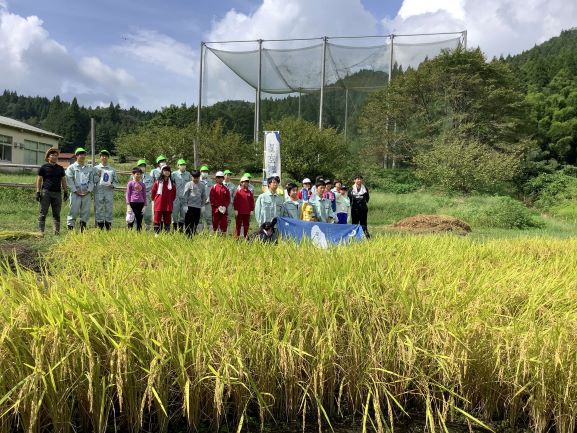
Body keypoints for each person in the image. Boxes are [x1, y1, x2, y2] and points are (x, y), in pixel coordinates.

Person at [36, 147, 68, 235]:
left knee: (56, 214)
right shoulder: (43, 167)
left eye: (56, 155)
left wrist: (65, 191)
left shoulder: (60, 168)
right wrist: (38, 192)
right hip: (46, 192)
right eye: (52, 155)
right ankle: (40, 231)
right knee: (43, 212)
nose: (54, 157)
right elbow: (39, 180)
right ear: (48, 157)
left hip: (57, 193)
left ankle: (56, 232)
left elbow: (63, 180)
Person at [65, 147, 94, 232]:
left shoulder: (89, 168)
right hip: (75, 194)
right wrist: (75, 191)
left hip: (86, 193)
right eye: (80, 154)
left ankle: (82, 230)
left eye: (83, 154)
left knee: (85, 212)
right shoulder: (71, 168)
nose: (82, 156)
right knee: (73, 211)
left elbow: (92, 181)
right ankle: (70, 230)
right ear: (76, 156)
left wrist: (89, 190)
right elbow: (69, 180)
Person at [93, 150, 119, 230]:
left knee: (109, 208)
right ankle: (100, 227)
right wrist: (98, 176)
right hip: (98, 191)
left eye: (106, 156)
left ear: (108, 157)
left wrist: (112, 185)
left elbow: (116, 181)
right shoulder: (95, 168)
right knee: (99, 209)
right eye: (102, 156)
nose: (104, 157)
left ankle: (108, 227)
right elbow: (93, 180)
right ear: (100, 157)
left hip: (109, 191)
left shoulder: (112, 169)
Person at [150, 165, 176, 234]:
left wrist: (170, 201)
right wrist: (155, 200)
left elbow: (174, 195)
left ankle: (166, 234)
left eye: (168, 171)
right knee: (157, 219)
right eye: (165, 170)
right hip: (159, 204)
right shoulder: (157, 182)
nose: (167, 172)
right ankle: (156, 234)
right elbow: (153, 192)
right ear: (162, 172)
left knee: (167, 220)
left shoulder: (172, 184)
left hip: (168, 205)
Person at [182, 170, 207, 237]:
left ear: (199, 177)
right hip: (189, 207)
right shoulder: (188, 184)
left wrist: (203, 205)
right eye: (194, 177)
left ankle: (193, 235)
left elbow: (204, 196)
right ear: (191, 177)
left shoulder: (202, 185)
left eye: (197, 177)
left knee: (195, 222)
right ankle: (187, 236)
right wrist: (185, 205)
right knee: (188, 222)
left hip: (198, 207)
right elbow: (185, 195)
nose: (195, 179)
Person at [172, 159, 191, 232]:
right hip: (176, 197)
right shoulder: (174, 174)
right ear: (178, 166)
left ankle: (180, 231)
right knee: (174, 215)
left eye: (184, 165)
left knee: (183, 215)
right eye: (181, 165)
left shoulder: (188, 174)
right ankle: (174, 230)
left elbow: (190, 185)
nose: (183, 166)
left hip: (185, 198)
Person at [125, 167, 146, 232]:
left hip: (141, 203)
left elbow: (144, 195)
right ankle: (129, 233)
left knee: (139, 219)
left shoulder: (142, 184)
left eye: (140, 174)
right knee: (130, 219)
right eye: (137, 174)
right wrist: (128, 205)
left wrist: (145, 205)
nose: (139, 175)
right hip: (132, 203)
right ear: (133, 174)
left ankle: (138, 233)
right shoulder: (130, 183)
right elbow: (128, 194)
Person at [137, 159, 154, 230]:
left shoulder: (150, 177)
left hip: (146, 197)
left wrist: (139, 188)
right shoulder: (133, 176)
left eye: (143, 166)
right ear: (138, 167)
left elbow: (150, 186)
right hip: (136, 198)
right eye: (141, 166)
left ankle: (148, 229)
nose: (142, 167)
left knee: (148, 215)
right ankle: (136, 231)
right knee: (136, 215)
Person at [199, 165, 213, 232]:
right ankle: (200, 233)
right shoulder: (197, 180)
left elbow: (212, 191)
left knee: (209, 218)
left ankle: (210, 234)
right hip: (199, 203)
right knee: (199, 218)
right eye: (204, 171)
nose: (205, 172)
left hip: (208, 203)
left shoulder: (210, 181)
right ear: (200, 172)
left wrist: (209, 198)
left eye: (206, 171)